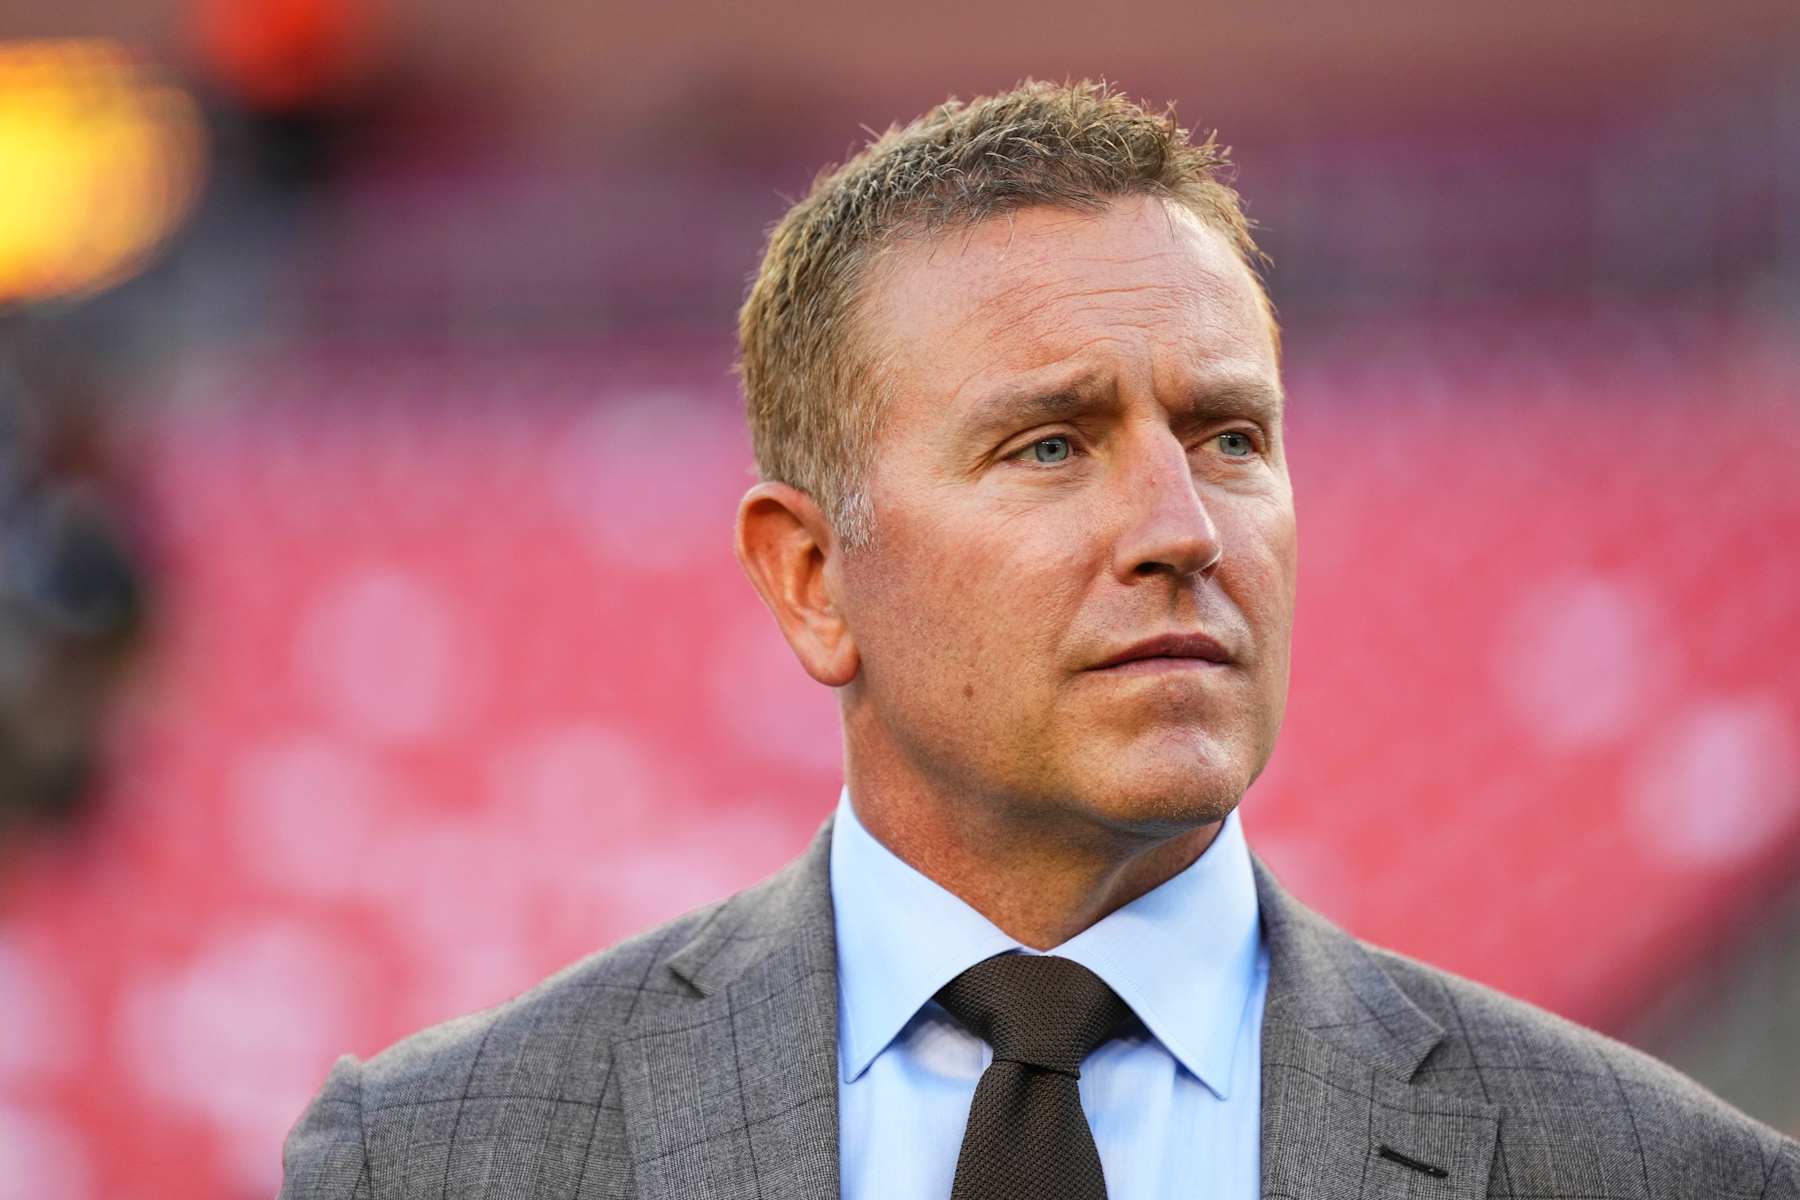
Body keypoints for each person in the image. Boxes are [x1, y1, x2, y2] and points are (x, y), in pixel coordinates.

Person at [279, 80, 1799, 1200]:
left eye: (1229, 437)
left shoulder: (1662, 1176)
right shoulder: (434, 1161)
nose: (1181, 528)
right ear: (810, 577)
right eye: (1052, 447)